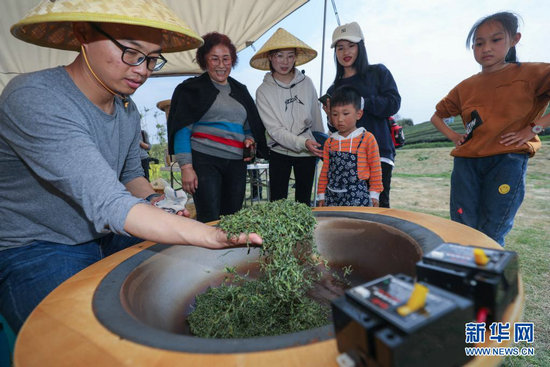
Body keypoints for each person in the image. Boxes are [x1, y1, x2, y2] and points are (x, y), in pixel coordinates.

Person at [0, 0, 262, 334]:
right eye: (131, 52)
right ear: (83, 33)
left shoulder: (126, 109)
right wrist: (211, 234)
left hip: (107, 235)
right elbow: (108, 201)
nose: (143, 69)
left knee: (200, 296)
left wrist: (155, 204)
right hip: (37, 246)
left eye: (152, 58)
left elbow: (130, 177)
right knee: (82, 340)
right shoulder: (35, 97)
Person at [430, 11, 550, 246]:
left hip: (508, 160)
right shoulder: (465, 87)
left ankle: (486, 278)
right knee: (463, 226)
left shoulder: (531, 74)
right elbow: (437, 116)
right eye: (479, 43)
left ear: (514, 39)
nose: (486, 48)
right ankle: (464, 276)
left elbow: (535, 125)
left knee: (493, 227)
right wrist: (454, 136)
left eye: (496, 40)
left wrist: (535, 128)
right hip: (466, 163)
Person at [167, 32, 268, 223]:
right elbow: (182, 129)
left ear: (232, 61)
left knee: (233, 219)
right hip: (205, 161)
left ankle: (229, 254)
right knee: (209, 218)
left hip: (236, 164)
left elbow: (249, 127)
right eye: (214, 59)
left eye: (226, 59)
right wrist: (186, 167)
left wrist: (250, 139)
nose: (221, 65)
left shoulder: (240, 90)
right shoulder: (192, 89)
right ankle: (205, 254)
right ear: (205, 61)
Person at [324, 22, 401, 208]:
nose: (345, 52)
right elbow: (336, 128)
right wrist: (331, 117)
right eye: (340, 48)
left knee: (378, 210)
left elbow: (393, 103)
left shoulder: (378, 73)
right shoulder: (334, 89)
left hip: (378, 152)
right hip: (344, 160)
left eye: (351, 45)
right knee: (349, 214)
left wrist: (364, 102)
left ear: (361, 46)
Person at [250, 28, 324, 205]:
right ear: (270, 57)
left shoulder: (307, 83)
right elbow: (274, 130)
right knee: (277, 204)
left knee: (304, 203)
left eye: (290, 56)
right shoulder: (263, 91)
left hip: (307, 152)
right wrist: (302, 143)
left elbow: (316, 116)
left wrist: (319, 144)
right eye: (279, 56)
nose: (285, 62)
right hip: (279, 151)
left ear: (296, 58)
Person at [317, 86, 382, 207]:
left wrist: (374, 195)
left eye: (345, 113)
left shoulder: (367, 139)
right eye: (335, 114)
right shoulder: (329, 142)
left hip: (358, 198)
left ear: (359, 114)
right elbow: (325, 170)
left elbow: (376, 169)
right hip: (332, 198)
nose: (340, 119)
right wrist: (321, 194)